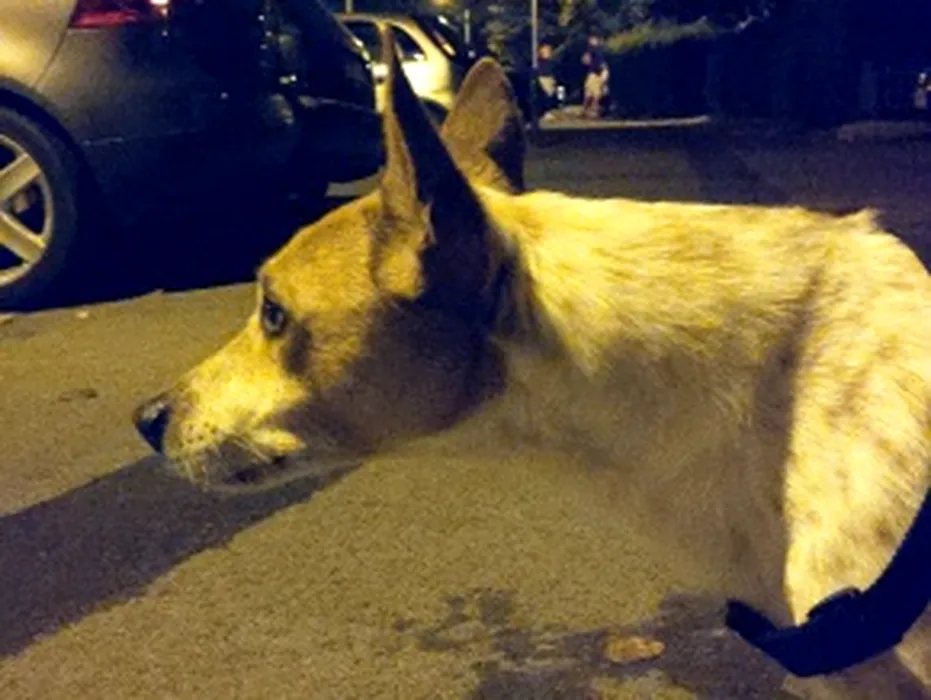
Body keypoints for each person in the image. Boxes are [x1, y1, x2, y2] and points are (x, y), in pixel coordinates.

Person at [581, 35, 609, 118]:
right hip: (595, 73)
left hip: (596, 73)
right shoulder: (595, 50)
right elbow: (586, 60)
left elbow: (585, 60)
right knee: (593, 94)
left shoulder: (596, 51)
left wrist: (604, 72)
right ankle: (591, 111)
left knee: (592, 94)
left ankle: (589, 111)